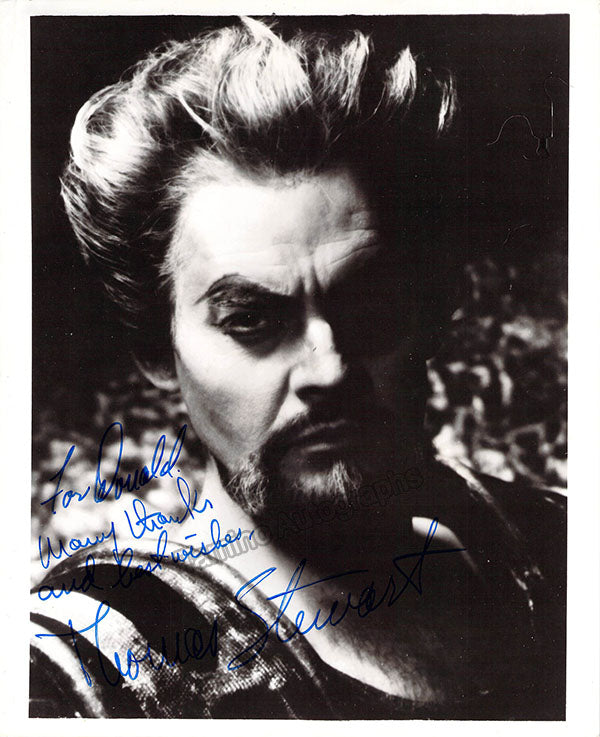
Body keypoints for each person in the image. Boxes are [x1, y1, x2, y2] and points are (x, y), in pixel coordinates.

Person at [30, 17, 566, 719]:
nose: (329, 368)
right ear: (158, 349)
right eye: (251, 319)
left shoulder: (557, 547)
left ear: (433, 309)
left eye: (369, 302)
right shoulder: (79, 678)